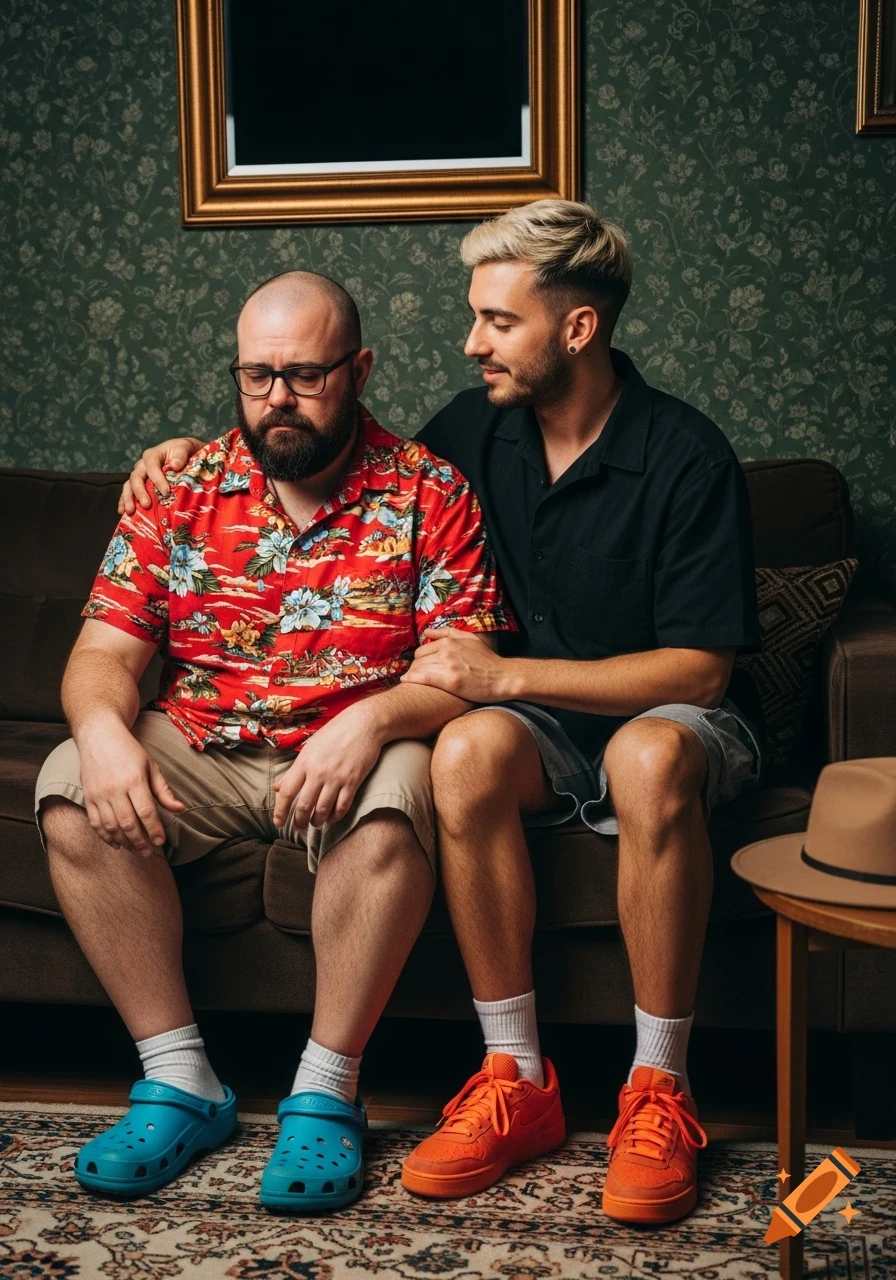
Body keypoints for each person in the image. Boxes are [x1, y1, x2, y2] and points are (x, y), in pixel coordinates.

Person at [119, 199, 763, 1224]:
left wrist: (504, 678)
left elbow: (698, 671)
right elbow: (337, 458)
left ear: (577, 328)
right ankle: (515, 1074)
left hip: (671, 718)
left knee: (641, 757)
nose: (471, 343)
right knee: (460, 751)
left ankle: (657, 1087)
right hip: (536, 733)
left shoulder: (684, 452)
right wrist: (186, 453)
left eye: (497, 321)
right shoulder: (475, 431)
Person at [35, 270, 517, 1213]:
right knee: (65, 782)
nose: (277, 402)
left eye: (303, 375)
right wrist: (101, 730)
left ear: (361, 368)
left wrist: (371, 720)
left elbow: (464, 669)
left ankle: (324, 1093)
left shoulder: (431, 492)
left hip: (360, 754)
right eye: (256, 377)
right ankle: (180, 1080)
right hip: (205, 748)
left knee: (398, 801)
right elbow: (101, 653)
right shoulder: (182, 487)